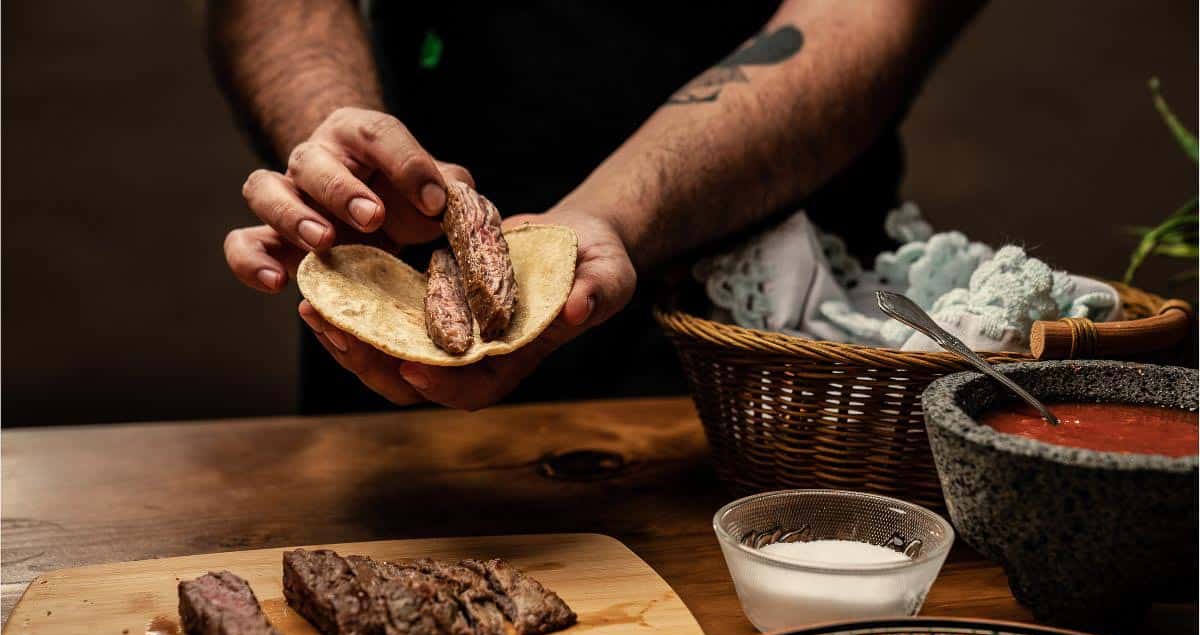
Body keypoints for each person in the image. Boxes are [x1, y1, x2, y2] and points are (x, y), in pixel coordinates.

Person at [211, 1, 982, 413]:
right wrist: (343, 154)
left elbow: (872, 12)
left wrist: (608, 216)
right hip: (389, 307)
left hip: (752, 352)